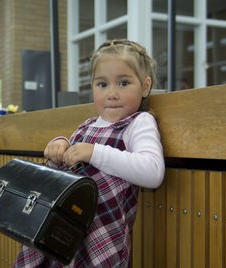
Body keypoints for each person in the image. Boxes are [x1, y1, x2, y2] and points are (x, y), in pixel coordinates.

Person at [13, 39, 165, 267]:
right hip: (60, 226)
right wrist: (60, 145)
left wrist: (95, 153)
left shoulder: (139, 122)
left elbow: (153, 171)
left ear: (145, 86)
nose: (112, 94)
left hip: (100, 236)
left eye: (123, 83)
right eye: (102, 85)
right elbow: (68, 165)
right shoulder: (88, 125)